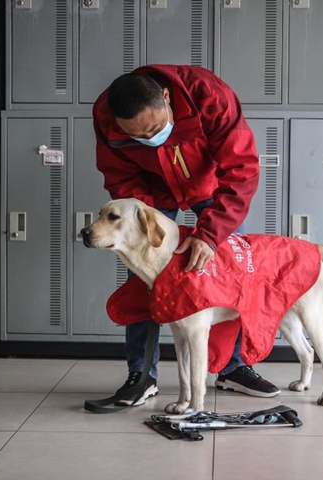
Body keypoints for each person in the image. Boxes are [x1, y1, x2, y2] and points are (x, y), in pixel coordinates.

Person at [93, 65, 281, 406]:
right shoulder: (106, 115)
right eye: (138, 136)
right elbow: (119, 177)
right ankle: (142, 374)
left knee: (231, 273)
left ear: (167, 99)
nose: (149, 138)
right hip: (151, 197)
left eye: (154, 128)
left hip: (211, 189)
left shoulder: (209, 96)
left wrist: (210, 234)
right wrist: (146, 225)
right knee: (148, 277)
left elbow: (241, 170)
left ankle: (233, 367)